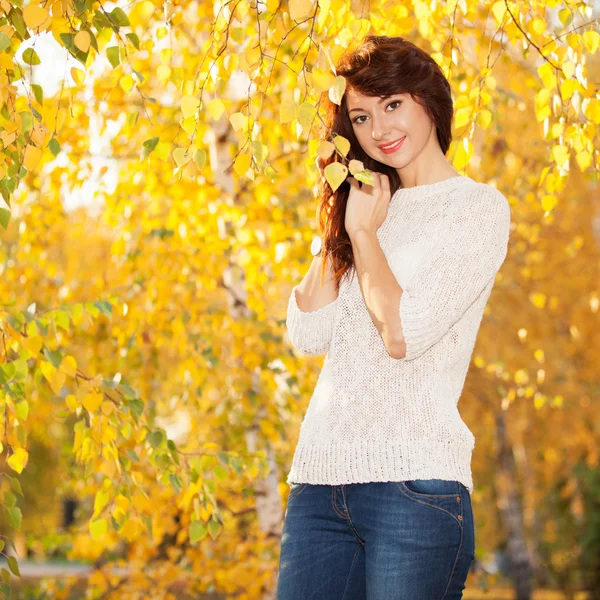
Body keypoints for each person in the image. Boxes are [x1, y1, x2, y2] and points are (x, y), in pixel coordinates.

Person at [276, 35, 511, 600]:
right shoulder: (368, 206)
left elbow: (404, 333)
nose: (378, 128)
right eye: (360, 116)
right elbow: (307, 333)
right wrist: (338, 216)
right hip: (320, 484)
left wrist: (364, 235)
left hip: (414, 488)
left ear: (428, 100)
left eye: (392, 104)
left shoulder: (477, 209)